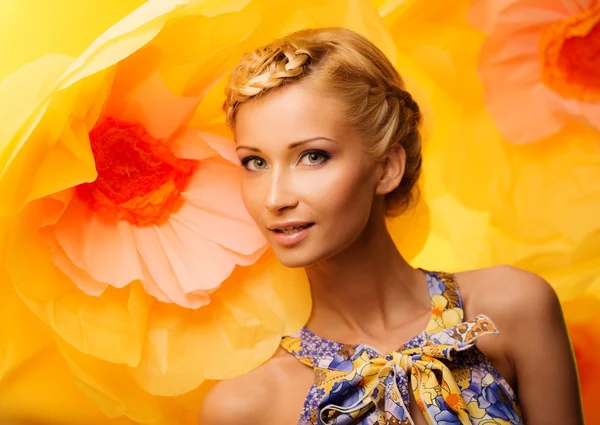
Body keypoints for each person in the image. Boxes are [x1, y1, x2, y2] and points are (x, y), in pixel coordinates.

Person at [199, 27, 583, 425]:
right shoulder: (245, 406)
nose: (275, 198)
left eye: (312, 156)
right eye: (255, 163)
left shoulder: (512, 308)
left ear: (386, 168)